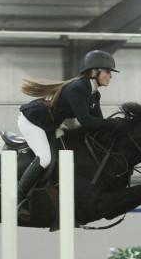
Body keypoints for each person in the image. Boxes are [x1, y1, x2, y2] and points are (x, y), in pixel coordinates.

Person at [16, 49, 123, 209]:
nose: (110, 76)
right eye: (108, 71)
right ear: (94, 72)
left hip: (51, 124)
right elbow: (86, 121)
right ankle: (19, 196)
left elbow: (99, 124)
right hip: (32, 121)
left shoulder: (94, 95)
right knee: (45, 158)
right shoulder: (77, 89)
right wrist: (113, 123)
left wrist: (118, 128)